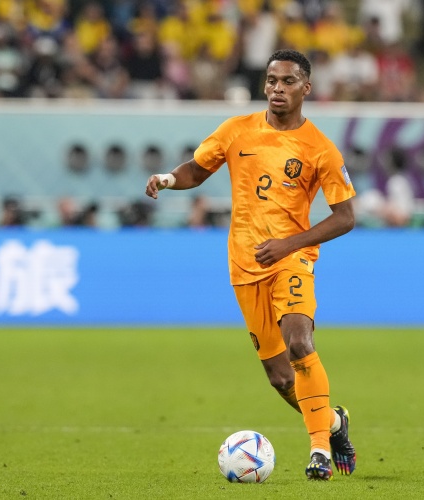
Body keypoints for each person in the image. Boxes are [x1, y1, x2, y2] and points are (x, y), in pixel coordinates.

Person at [145, 49, 357, 481]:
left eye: (288, 81)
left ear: (306, 88)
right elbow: (196, 170)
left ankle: (319, 450)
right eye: (272, 80)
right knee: (280, 378)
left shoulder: (320, 149)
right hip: (244, 264)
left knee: (300, 343)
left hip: (292, 258)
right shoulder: (236, 130)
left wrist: (289, 244)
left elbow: (345, 217)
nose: (277, 88)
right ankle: (334, 423)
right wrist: (168, 179)